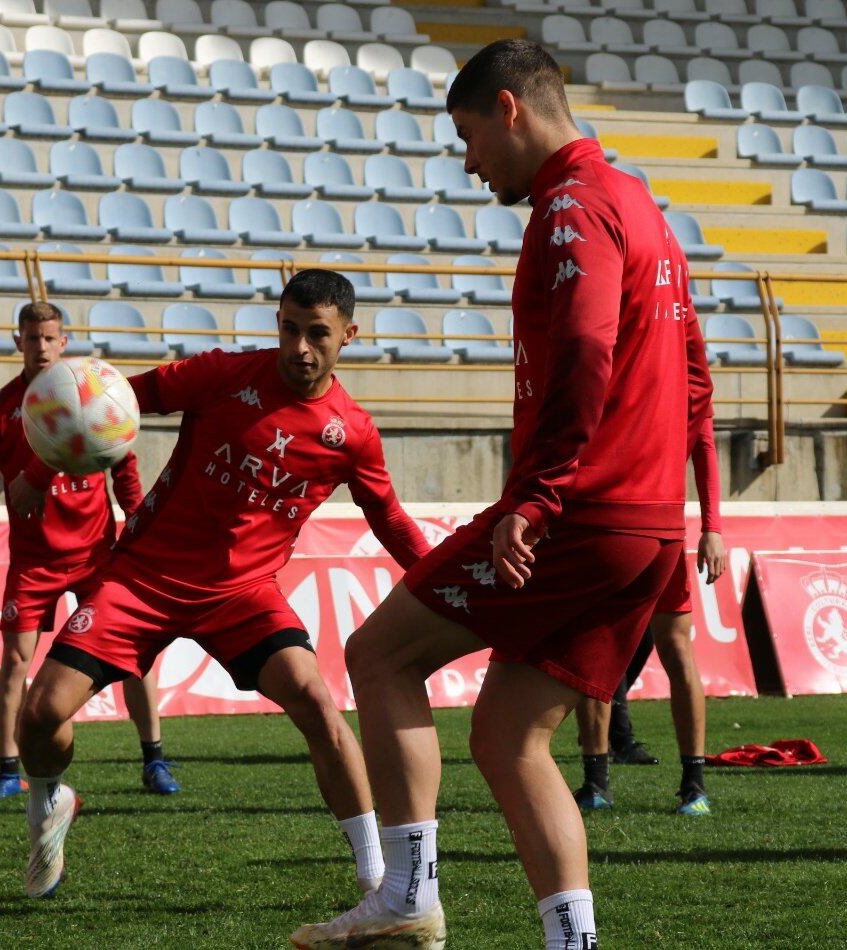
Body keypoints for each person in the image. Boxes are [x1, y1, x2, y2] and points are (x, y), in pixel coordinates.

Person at [290, 39, 714, 950]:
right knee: (508, 737)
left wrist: (538, 495)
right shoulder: (644, 206)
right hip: (646, 526)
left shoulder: (571, 210)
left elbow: (589, 357)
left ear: (511, 109)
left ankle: (406, 898)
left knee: (379, 655)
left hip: (582, 509)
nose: (469, 161)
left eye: (469, 134)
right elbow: (694, 374)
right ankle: (574, 944)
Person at [7, 270, 430, 900]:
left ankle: (378, 879)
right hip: (143, 578)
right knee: (39, 718)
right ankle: (50, 802)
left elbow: (389, 516)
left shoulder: (352, 434)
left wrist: (444, 581)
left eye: (318, 334)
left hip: (243, 594)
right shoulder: (223, 374)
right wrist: (40, 472)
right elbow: (113, 403)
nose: (300, 349)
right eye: (290, 330)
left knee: (317, 704)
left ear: (349, 335)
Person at [0, 301, 179, 800]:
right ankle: (10, 769)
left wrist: (138, 524)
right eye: (33, 339)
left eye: (51, 338)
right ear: (19, 343)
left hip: (97, 554)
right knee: (16, 661)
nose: (42, 347)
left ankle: (154, 758)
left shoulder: (91, 397)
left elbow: (124, 467)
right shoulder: (0, 408)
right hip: (34, 560)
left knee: (134, 657)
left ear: (64, 342)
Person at [573, 419, 728, 816]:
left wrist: (713, 527)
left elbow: (703, 444)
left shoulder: (681, 366)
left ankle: (694, 784)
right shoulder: (618, 362)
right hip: (611, 522)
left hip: (658, 525)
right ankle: (597, 782)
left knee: (674, 649)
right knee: (595, 646)